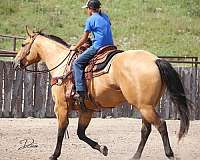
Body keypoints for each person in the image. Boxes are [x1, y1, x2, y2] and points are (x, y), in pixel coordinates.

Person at [70, 0, 114, 110]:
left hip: (98, 47)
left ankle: (80, 92)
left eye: (87, 9)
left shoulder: (90, 19)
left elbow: (84, 38)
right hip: (110, 46)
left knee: (77, 63)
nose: (87, 11)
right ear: (99, 8)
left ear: (90, 9)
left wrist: (75, 47)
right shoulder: (105, 16)